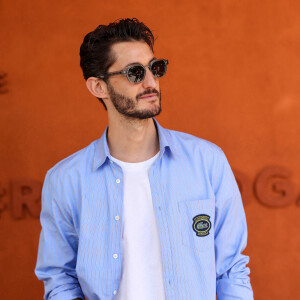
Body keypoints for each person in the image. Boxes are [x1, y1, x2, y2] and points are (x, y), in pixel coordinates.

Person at [35, 18, 254, 300]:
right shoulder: (65, 180)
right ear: (98, 87)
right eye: (135, 73)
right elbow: (59, 278)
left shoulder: (207, 161)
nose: (151, 82)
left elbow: (232, 270)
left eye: (155, 68)